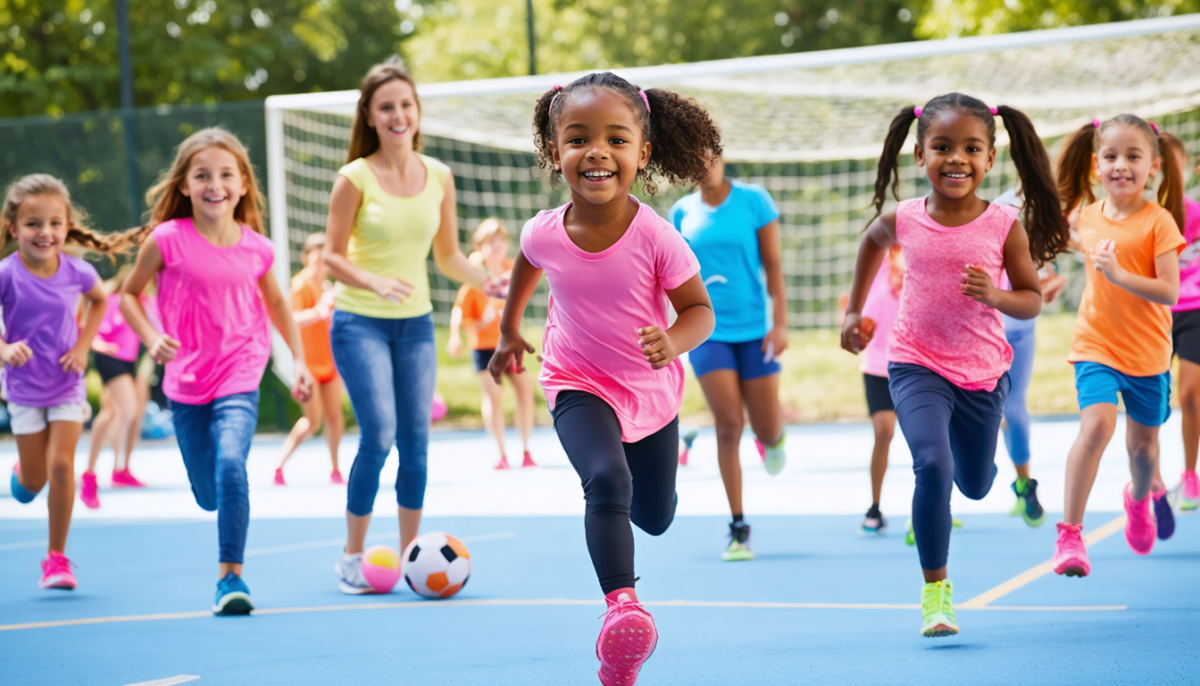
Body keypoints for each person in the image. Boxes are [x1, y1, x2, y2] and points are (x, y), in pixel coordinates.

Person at [492, 72, 716, 686]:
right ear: (555, 150)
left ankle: (637, 542)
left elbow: (700, 311)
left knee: (656, 513)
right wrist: (511, 330)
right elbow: (527, 266)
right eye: (578, 138)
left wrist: (672, 340)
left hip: (649, 392)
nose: (597, 152)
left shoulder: (657, 237)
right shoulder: (544, 229)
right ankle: (623, 612)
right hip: (575, 379)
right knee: (605, 478)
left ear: (641, 154)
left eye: (616, 139)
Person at [842, 94, 1068, 637]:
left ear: (990, 159)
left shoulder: (1003, 224)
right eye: (942, 147)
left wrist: (996, 294)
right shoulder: (907, 218)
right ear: (920, 156)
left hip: (982, 373)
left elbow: (1032, 299)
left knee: (974, 483)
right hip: (915, 363)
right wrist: (853, 309)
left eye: (971, 148)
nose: (956, 159)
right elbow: (871, 243)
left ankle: (983, 471)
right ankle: (936, 593)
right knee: (932, 465)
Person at [322, 60, 503, 595]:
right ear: (371, 117)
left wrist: (486, 281)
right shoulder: (352, 178)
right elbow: (331, 257)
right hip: (359, 321)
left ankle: (409, 558)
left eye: (406, 104)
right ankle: (352, 556)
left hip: (415, 324)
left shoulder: (439, 176)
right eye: (386, 107)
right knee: (379, 432)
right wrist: (373, 282)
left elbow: (447, 257)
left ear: (415, 111)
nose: (398, 114)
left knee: (417, 442)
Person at [120, 128, 314, 615]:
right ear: (184, 184)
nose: (215, 183)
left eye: (226, 174)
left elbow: (275, 303)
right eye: (202, 174)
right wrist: (151, 336)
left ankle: (230, 579)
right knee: (209, 492)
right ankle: (218, 504)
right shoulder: (167, 240)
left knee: (232, 466)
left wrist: (299, 363)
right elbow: (128, 294)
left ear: (243, 184)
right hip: (185, 381)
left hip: (241, 371)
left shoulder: (256, 248)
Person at [1052, 115, 1185, 577]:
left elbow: (1169, 291)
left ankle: (1138, 497)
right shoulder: (1084, 217)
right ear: (1095, 164)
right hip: (1096, 346)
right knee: (1096, 428)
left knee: (1145, 452)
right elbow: (1060, 242)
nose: (1121, 165)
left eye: (1133, 156)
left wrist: (1121, 275)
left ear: (1153, 167)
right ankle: (1070, 533)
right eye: (1111, 156)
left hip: (1148, 354)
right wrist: (1042, 277)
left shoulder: (1160, 222)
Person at [2, 173, 131, 590]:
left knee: (62, 465)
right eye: (33, 223)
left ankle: (56, 559)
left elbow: (99, 301)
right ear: (13, 228)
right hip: (22, 387)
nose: (45, 232)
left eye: (55, 223)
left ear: (67, 226)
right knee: (35, 480)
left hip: (65, 383)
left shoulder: (77, 272)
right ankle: (25, 472)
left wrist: (82, 346)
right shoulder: (7, 274)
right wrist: (4, 349)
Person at [668, 154, 787, 561]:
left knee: (767, 428)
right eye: (693, 160)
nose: (702, 165)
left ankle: (772, 438)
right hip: (708, 333)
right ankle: (738, 526)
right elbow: (671, 279)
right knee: (729, 424)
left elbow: (772, 265)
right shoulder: (680, 212)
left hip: (756, 330)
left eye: (709, 157)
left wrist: (781, 323)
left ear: (720, 158)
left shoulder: (754, 201)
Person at [992, 188, 1069, 528]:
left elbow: (1040, 289)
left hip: (1020, 332)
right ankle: (946, 488)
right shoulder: (996, 211)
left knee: (1012, 408)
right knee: (974, 410)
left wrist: (1050, 287)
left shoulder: (1043, 229)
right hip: (984, 333)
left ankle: (1025, 484)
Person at [447, 218, 536, 470]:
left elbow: (530, 273)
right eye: (490, 242)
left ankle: (526, 450)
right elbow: (460, 312)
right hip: (484, 346)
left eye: (501, 241)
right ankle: (501, 453)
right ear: (480, 246)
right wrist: (456, 336)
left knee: (525, 391)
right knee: (494, 395)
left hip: (510, 343)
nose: (497, 247)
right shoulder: (475, 278)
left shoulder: (513, 268)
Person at [82, 264, 160, 508]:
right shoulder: (114, 300)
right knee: (128, 411)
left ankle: (109, 469)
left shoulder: (143, 302)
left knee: (110, 413)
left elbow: (157, 324)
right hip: (110, 359)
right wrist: (97, 343)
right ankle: (108, 469)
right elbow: (93, 327)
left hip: (127, 361)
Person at [274, 233, 346, 486]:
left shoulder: (330, 287)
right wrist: (319, 311)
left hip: (330, 362)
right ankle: (279, 465)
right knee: (312, 421)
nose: (320, 261)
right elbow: (292, 319)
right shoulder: (301, 285)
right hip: (309, 364)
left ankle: (335, 469)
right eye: (316, 256)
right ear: (307, 258)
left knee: (335, 418)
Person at [852, 245, 905, 534]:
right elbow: (862, 314)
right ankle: (874, 507)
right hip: (877, 365)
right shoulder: (875, 266)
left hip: (914, 365)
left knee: (923, 440)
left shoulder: (922, 258)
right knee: (884, 432)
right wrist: (856, 329)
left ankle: (931, 505)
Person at [1162, 132, 1200, 512]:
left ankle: (1190, 475)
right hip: (1155, 315)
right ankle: (1151, 480)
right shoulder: (1148, 219)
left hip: (1195, 312)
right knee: (1155, 403)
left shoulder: (1197, 214)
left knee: (1190, 393)